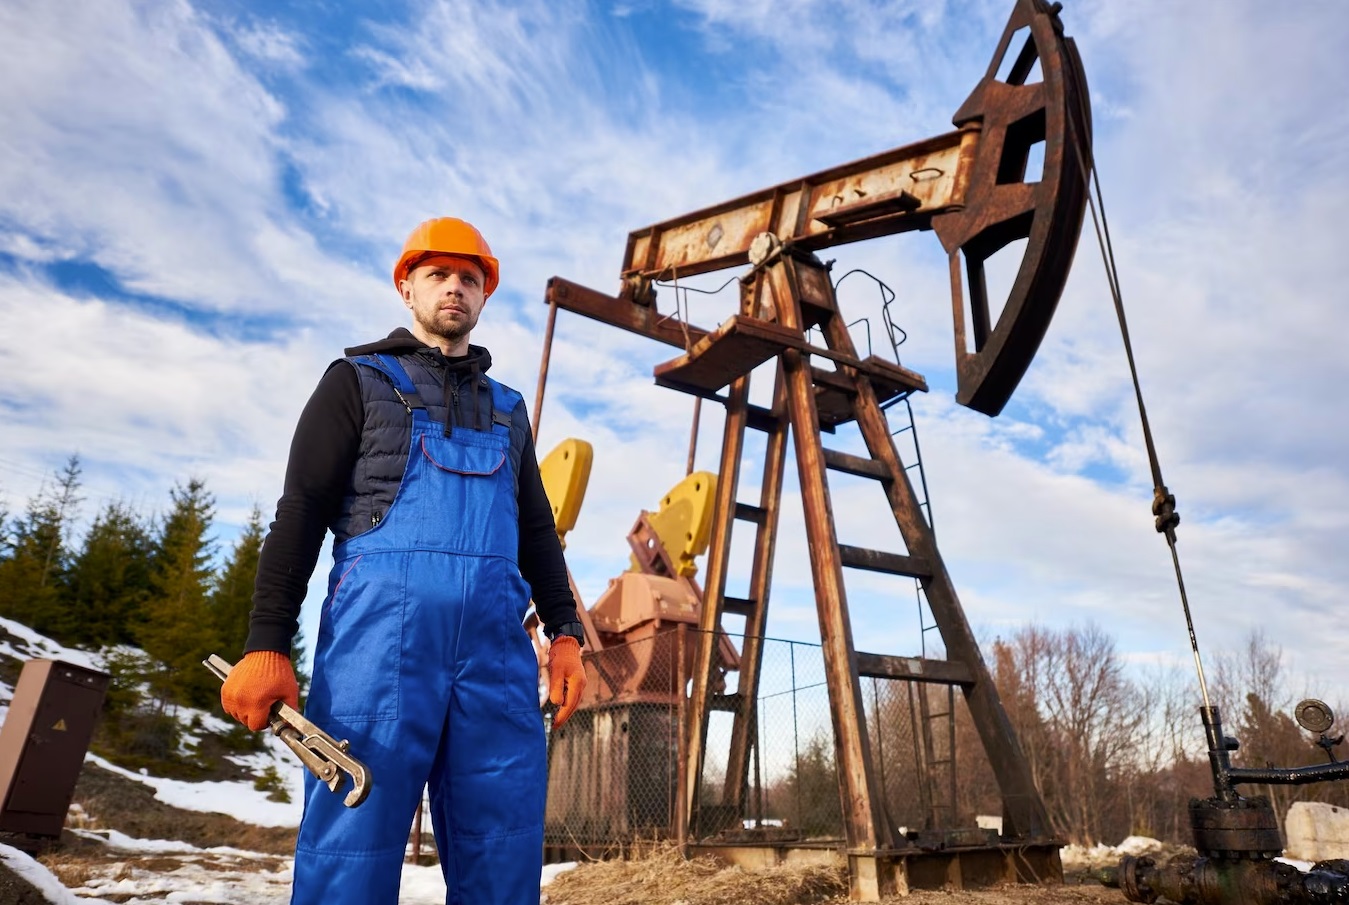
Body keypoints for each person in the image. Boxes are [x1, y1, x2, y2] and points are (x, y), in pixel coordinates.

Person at [219, 217, 586, 905]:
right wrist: (266, 643)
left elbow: (537, 532)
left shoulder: (507, 412)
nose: (455, 287)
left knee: (502, 847)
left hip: (496, 662)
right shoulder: (355, 382)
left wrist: (566, 631)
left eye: (470, 278)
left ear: (484, 295)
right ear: (406, 285)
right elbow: (299, 510)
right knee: (351, 848)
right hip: (378, 652)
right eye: (439, 274)